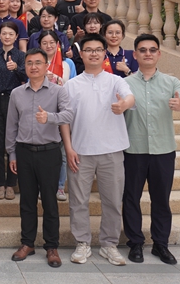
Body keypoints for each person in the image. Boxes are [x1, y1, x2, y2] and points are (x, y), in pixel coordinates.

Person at [63, 33, 135, 266]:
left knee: (112, 200)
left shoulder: (115, 81)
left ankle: (109, 244)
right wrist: (68, 148)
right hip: (80, 151)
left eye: (98, 50)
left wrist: (123, 105)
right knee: (78, 201)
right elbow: (65, 120)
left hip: (112, 150)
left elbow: (129, 98)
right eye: (88, 50)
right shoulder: (71, 85)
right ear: (81, 54)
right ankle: (82, 243)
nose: (93, 53)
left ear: (104, 53)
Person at [123, 34, 180, 265]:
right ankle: (135, 243)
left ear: (159, 54)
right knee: (131, 198)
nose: (148, 53)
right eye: (143, 50)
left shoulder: (171, 82)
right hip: (133, 150)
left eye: (152, 50)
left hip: (163, 150)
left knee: (161, 199)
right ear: (135, 55)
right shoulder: (124, 84)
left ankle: (160, 244)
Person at [6, 48, 74, 268]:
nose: (33, 67)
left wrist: (49, 117)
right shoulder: (17, 93)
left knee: (49, 202)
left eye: (38, 63)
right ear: (24, 67)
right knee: (27, 201)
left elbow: (69, 114)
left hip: (49, 153)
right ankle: (27, 243)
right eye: (29, 63)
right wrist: (12, 153)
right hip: (24, 152)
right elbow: (11, 125)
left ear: (46, 66)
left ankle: (51, 246)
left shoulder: (58, 91)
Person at [0, 21, 27, 200]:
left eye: (11, 34)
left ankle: (11, 183)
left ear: (16, 36)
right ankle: (0, 183)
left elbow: (27, 76)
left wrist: (17, 69)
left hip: (14, 100)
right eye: (4, 33)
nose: (7, 36)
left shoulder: (21, 55)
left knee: (13, 141)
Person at [39, 30, 77, 201]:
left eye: (52, 43)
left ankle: (60, 186)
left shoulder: (68, 63)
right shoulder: (37, 61)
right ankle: (43, 187)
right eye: (44, 43)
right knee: (43, 154)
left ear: (58, 44)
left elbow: (74, 86)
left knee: (62, 152)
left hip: (63, 111)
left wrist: (58, 80)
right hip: (42, 111)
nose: (48, 46)